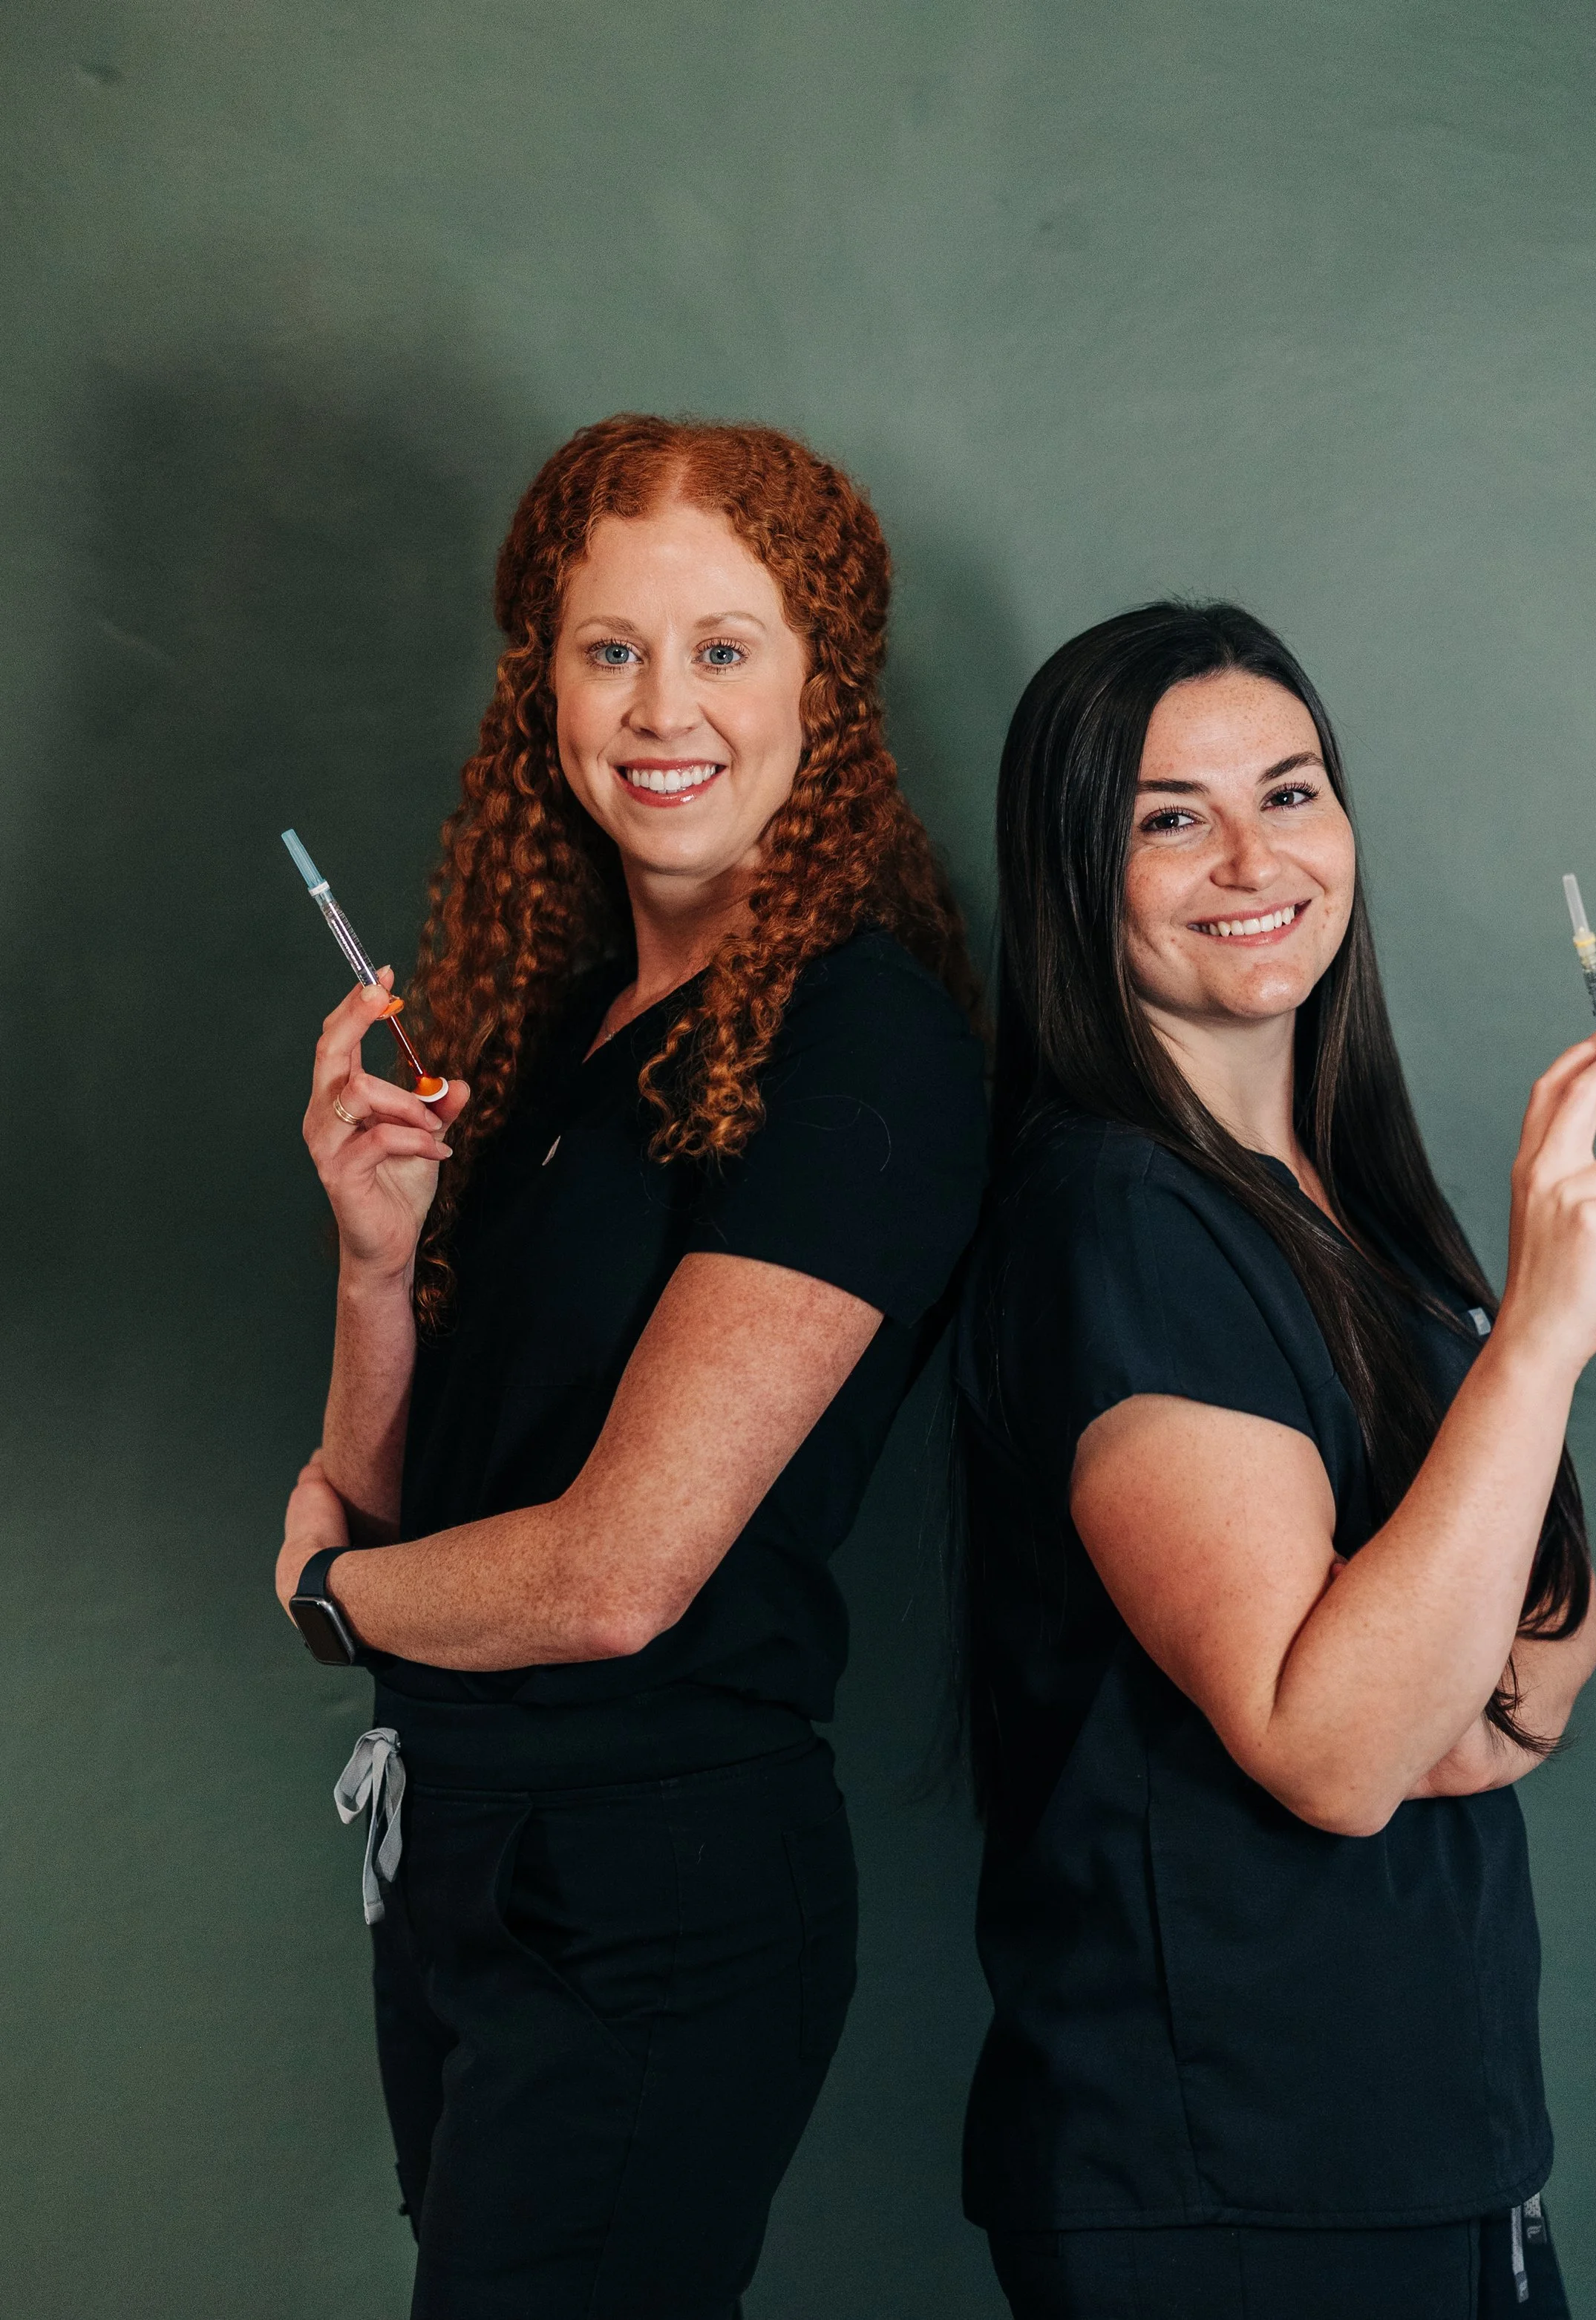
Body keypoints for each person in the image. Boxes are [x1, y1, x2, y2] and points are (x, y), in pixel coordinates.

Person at [272, 414, 987, 2320]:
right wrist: (371, 1263)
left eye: (724, 646)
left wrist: (334, 1605)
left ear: (821, 681)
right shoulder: (570, 1023)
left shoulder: (865, 1041)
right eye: (609, 649)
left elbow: (613, 1575)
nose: (661, 705)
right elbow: (400, 1488)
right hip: (460, 1864)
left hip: (655, 1902)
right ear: (545, 684)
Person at [955, 601, 1596, 2319]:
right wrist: (1537, 1339)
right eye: (1164, 815)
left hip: (1436, 2149)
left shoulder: (1359, 1211)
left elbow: (1547, 1656)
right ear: (1073, 872)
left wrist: (1444, 1680)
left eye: (1287, 792)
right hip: (1235, 2187)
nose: (1245, 855)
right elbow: (1342, 1749)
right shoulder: (1117, 1221)